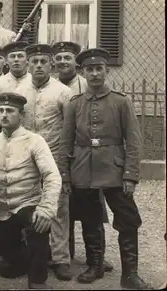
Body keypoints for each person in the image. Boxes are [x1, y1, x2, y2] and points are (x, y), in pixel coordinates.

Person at [58, 48, 152, 289]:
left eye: (99, 68)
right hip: (83, 171)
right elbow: (65, 143)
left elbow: (133, 140)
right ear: (83, 72)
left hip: (115, 171)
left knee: (128, 220)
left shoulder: (121, 101)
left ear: (106, 71)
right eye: (89, 69)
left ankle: (130, 275)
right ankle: (95, 266)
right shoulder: (74, 104)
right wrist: (66, 177)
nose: (95, 73)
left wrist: (131, 175)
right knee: (90, 220)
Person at [0, 92, 62, 289]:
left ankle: (38, 280)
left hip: (27, 203)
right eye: (2, 111)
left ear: (21, 115)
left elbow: (52, 176)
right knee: (8, 251)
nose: (4, 115)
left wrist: (46, 208)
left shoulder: (35, 141)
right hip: (0, 208)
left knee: (39, 223)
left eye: (10, 111)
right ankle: (20, 262)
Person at [52, 41, 113, 273]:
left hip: (85, 153)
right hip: (61, 151)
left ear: (76, 64)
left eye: (67, 58)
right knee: (63, 205)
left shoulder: (87, 85)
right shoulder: (53, 87)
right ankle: (65, 256)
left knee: (92, 206)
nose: (62, 62)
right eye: (58, 58)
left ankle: (96, 256)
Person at [14, 44, 74, 281]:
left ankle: (60, 258)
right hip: (26, 157)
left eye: (43, 61)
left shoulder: (62, 93)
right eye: (34, 61)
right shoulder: (20, 90)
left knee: (58, 207)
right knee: (27, 203)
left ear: (51, 64)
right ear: (28, 64)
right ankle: (31, 255)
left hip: (55, 155)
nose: (38, 65)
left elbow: (69, 131)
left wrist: (64, 164)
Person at [0, 41, 31, 117]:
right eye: (12, 56)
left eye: (20, 56)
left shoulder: (34, 82)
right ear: (7, 61)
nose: (16, 59)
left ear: (27, 60)